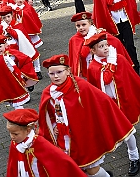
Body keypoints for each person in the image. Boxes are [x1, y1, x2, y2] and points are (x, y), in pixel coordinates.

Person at [39, 54, 138, 177]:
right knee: (76, 168)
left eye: (59, 72)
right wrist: (53, 125)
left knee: (90, 167)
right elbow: (48, 114)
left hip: (83, 136)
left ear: (68, 71)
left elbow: (103, 101)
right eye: (52, 74)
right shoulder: (48, 92)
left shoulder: (81, 86)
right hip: (63, 138)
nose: (56, 76)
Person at [86, 33, 140, 176]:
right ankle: (134, 155)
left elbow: (130, 77)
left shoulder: (118, 59)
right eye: (101, 46)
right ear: (93, 50)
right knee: (126, 131)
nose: (105, 49)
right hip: (110, 104)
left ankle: (134, 157)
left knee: (127, 131)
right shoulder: (93, 67)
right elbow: (103, 81)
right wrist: (111, 62)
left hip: (124, 99)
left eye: (106, 45)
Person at [3, 108, 87, 177]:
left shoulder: (39, 142)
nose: (12, 137)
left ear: (28, 130)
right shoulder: (15, 143)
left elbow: (60, 159)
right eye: (10, 133)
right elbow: (12, 166)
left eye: (15, 134)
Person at [93, 0, 140, 74]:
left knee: (130, 45)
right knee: (118, 46)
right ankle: (123, 67)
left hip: (124, 19)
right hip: (112, 22)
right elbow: (107, 2)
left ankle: (135, 67)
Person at [69, 11, 133, 78]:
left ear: (90, 23)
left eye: (84, 25)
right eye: (78, 26)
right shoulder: (74, 40)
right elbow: (83, 54)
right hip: (86, 73)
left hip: (103, 69)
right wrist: (90, 38)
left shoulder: (100, 34)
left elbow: (116, 42)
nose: (81, 28)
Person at [0, 35, 38, 109]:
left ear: (5, 45)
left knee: (17, 100)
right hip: (5, 81)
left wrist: (23, 72)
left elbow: (24, 59)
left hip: (15, 80)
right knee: (12, 100)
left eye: (0, 46)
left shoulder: (11, 53)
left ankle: (20, 115)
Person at [10, 0, 43, 80]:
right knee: (23, 52)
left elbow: (31, 17)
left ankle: (37, 70)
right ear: (14, 0)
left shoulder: (27, 7)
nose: (20, 0)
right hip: (19, 34)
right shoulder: (12, 9)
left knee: (33, 51)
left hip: (29, 33)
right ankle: (28, 71)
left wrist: (18, 11)